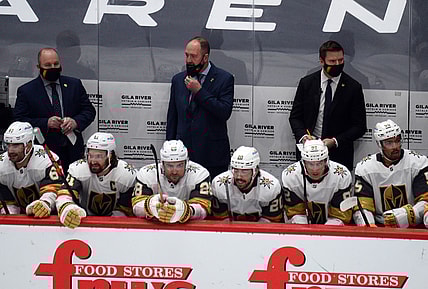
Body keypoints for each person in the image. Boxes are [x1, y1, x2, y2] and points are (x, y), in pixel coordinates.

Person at [14, 47, 96, 173]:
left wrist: (75, 122)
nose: (53, 67)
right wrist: (46, 123)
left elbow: (89, 111)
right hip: (43, 153)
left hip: (72, 151)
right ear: (38, 66)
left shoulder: (74, 85)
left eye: (56, 64)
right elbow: (19, 120)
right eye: (47, 65)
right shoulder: (26, 91)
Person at [289, 40, 366, 171]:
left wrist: (335, 141)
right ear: (321, 61)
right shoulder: (307, 83)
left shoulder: (353, 87)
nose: (337, 64)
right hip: (309, 153)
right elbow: (295, 117)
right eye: (332, 61)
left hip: (339, 155)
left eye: (341, 60)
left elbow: (359, 126)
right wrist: (303, 136)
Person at [166, 36, 234, 179]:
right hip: (183, 156)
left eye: (194, 56)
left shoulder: (224, 78)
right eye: (186, 55)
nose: (189, 60)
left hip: (212, 156)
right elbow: (173, 117)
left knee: (212, 198)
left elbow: (224, 112)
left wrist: (200, 91)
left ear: (205, 57)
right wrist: (169, 149)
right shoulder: (178, 80)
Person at [353, 119, 428, 227]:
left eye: (397, 141)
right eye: (389, 143)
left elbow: (425, 201)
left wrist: (406, 214)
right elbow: (363, 207)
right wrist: (369, 228)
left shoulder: (418, 162)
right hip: (381, 225)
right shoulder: (364, 168)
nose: (395, 146)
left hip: (412, 224)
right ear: (379, 144)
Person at [55, 132, 137, 229]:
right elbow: (64, 194)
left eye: (98, 156)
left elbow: (127, 209)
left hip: (113, 227)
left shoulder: (126, 174)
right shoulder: (78, 169)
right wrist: (68, 209)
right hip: (82, 223)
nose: (93, 161)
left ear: (110, 155)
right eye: (90, 156)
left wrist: (110, 223)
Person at [132, 140, 212, 224]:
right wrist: (150, 206)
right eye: (170, 166)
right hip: (156, 227)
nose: (174, 171)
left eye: (179, 165)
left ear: (186, 163)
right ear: (162, 164)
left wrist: (187, 211)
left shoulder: (200, 174)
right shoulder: (146, 174)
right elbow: (136, 208)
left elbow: (204, 209)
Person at [281, 139, 352, 225]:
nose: (315, 169)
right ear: (304, 162)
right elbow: (294, 214)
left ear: (326, 161)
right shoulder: (290, 175)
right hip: (301, 224)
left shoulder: (342, 175)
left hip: (332, 224)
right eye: (310, 164)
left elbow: (341, 215)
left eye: (319, 163)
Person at [0, 121, 62, 217]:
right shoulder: (1, 165)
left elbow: (55, 188)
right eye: (8, 145)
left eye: (15, 145)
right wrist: (9, 212)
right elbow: (6, 199)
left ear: (28, 146)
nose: (10, 150)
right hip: (20, 217)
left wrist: (44, 203)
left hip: (49, 217)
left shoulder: (47, 160)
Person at [211, 146, 284, 222]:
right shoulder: (219, 184)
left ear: (255, 171)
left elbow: (272, 220)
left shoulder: (271, 187)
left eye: (244, 171)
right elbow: (219, 219)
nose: (239, 176)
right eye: (236, 170)